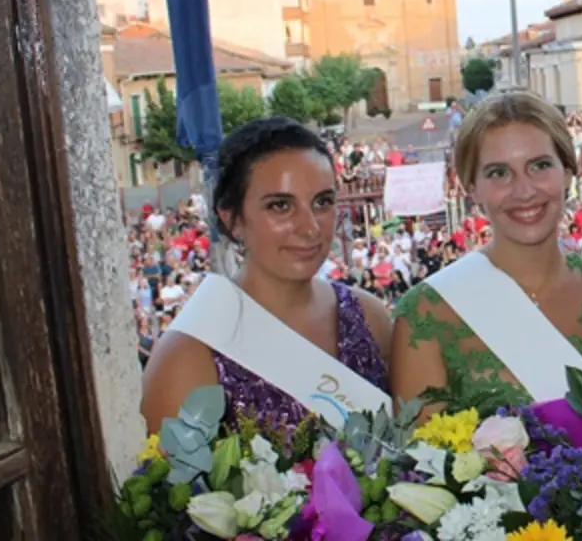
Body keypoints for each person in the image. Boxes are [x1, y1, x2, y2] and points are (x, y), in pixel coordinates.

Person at [391, 92, 582, 412]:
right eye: (499, 173)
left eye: (539, 166)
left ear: (568, 171)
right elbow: (424, 457)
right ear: (471, 188)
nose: (524, 191)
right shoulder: (425, 314)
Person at [141, 117, 393, 432]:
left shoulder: (370, 319)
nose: (310, 227)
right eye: (280, 206)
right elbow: (169, 478)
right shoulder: (186, 357)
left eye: (323, 202)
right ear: (232, 219)